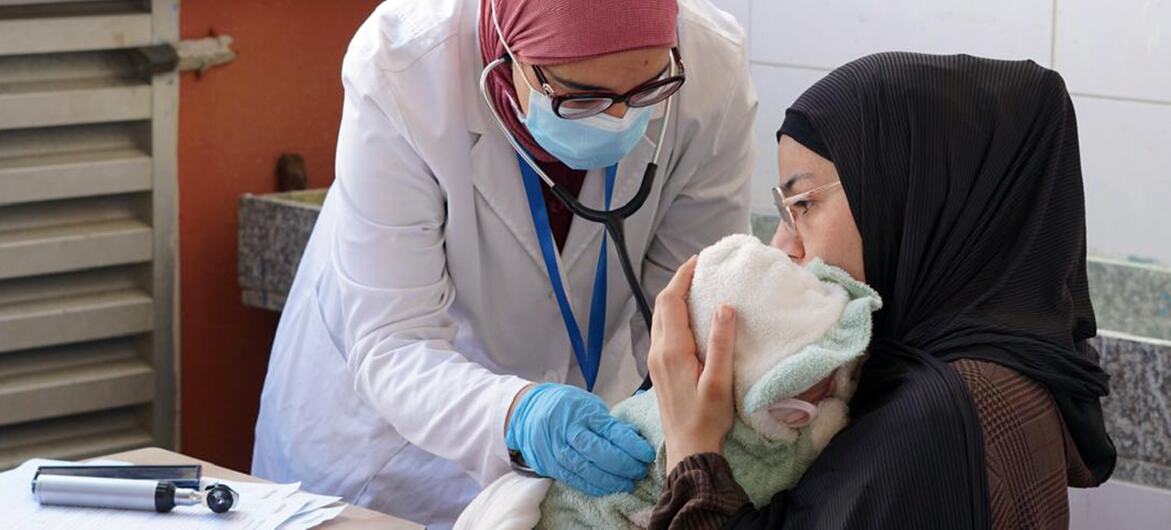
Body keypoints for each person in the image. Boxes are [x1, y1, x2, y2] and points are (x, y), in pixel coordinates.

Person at [250, 0, 756, 527]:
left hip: (576, 443)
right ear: (508, 55)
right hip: (384, 454)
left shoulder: (710, 64)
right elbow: (393, 339)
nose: (619, 119)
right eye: (581, 97)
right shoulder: (405, 66)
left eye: (648, 90)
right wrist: (518, 415)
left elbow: (691, 300)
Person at [646, 52, 1116, 529]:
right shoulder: (989, 377)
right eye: (784, 210)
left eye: (804, 203)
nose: (783, 244)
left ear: (908, 197)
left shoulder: (932, 422)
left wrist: (692, 450)